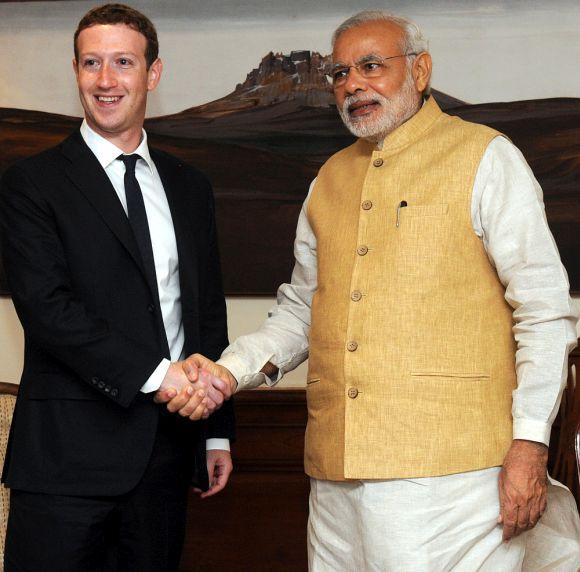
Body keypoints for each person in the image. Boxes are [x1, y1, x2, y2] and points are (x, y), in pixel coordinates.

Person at [177, 10, 580, 571]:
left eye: (371, 65)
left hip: (453, 475)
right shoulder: (329, 178)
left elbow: (544, 310)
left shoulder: (486, 156)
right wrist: (228, 371)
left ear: (420, 70)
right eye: (340, 73)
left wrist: (531, 444)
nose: (353, 85)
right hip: (334, 475)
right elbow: (301, 311)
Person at [0, 4, 234, 570]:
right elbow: (49, 312)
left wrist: (216, 435)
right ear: (76, 72)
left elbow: (204, 313)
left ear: (152, 74)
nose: (106, 81)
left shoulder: (189, 185)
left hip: (166, 456)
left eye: (123, 62)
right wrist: (162, 376)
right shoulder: (30, 184)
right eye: (91, 63)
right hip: (63, 464)